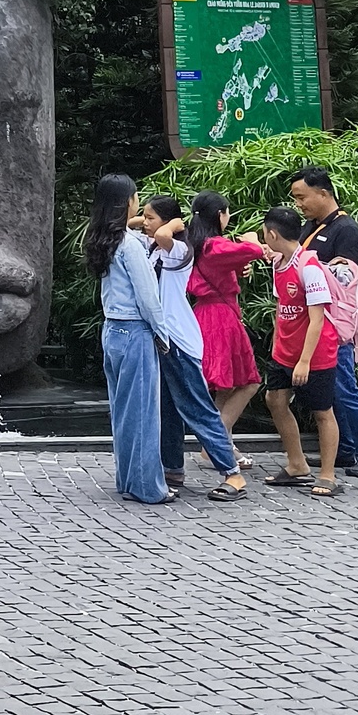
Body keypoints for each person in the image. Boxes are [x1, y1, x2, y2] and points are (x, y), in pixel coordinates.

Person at [136, 196, 247, 500]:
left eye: (150, 217)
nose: (145, 223)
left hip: (179, 341)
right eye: (143, 216)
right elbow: (126, 227)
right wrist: (150, 222)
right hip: (161, 339)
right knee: (168, 409)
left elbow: (162, 233)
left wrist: (174, 223)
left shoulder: (180, 250)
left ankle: (232, 474)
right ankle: (172, 468)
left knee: (197, 407)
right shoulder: (153, 249)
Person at [291, 163, 358, 478]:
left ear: (323, 192)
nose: (298, 204)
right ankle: (343, 451)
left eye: (302, 197)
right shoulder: (312, 225)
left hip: (335, 325)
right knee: (330, 391)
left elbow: (347, 281)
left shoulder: (346, 229)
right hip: (312, 320)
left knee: (345, 388)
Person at [86, 173, 170, 505]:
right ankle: (149, 487)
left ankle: (128, 480)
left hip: (112, 330)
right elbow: (149, 298)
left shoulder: (101, 238)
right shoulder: (130, 245)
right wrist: (163, 335)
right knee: (145, 414)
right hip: (136, 331)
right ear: (128, 202)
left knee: (122, 411)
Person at [257, 204, 344, 496]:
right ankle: (297, 464)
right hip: (284, 349)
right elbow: (281, 306)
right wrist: (277, 343)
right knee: (275, 400)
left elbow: (317, 319)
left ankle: (328, 474)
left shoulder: (309, 267)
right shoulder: (278, 262)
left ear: (272, 234)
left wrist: (305, 361)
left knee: (322, 412)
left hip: (315, 353)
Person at [183, 191, 268, 457]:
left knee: (225, 384)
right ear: (220, 215)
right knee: (250, 382)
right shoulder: (214, 245)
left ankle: (223, 443)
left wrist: (241, 266)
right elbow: (253, 249)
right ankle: (215, 440)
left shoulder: (194, 243)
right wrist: (253, 238)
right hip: (221, 318)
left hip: (205, 314)